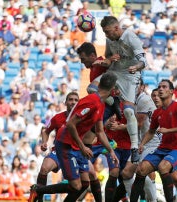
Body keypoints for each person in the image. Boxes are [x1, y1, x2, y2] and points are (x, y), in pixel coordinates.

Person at [29, 72, 119, 202]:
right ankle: (38, 190)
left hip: (77, 146)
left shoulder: (100, 104)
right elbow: (70, 124)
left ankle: (38, 190)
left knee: (84, 184)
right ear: (113, 90)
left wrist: (111, 152)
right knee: (76, 186)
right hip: (66, 144)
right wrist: (82, 146)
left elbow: (99, 131)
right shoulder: (92, 101)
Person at [130, 79, 177, 202]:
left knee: (163, 167)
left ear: (171, 91)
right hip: (162, 149)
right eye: (159, 86)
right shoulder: (157, 112)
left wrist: (168, 130)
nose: (160, 89)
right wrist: (142, 144)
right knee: (141, 169)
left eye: (164, 87)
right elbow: (151, 131)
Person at [99, 16, 148, 163]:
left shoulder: (131, 37)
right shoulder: (109, 40)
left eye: (108, 32)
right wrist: (109, 59)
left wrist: (136, 67)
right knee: (91, 89)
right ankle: (114, 103)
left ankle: (134, 147)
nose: (106, 35)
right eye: (104, 32)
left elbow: (144, 61)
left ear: (116, 28)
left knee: (127, 111)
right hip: (115, 72)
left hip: (130, 74)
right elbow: (108, 56)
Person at [34, 92, 79, 202]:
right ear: (65, 102)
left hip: (77, 153)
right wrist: (45, 142)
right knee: (44, 168)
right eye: (70, 99)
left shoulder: (83, 117)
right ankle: (39, 197)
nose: (73, 102)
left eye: (76, 100)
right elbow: (46, 131)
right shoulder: (58, 118)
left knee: (81, 184)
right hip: (60, 151)